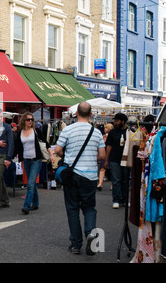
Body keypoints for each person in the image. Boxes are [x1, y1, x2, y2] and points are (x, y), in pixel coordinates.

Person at [54, 102, 105, 255]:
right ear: (90, 114)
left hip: (72, 175)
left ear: (76, 113)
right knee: (89, 208)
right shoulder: (96, 133)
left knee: (72, 209)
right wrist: (90, 159)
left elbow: (57, 150)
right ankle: (90, 234)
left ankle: (76, 244)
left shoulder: (68, 130)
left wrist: (68, 156)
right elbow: (102, 155)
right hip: (90, 176)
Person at [14, 112, 54, 215]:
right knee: (31, 183)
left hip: (36, 160)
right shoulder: (20, 133)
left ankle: (26, 206)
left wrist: (52, 154)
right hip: (26, 160)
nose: (30, 121)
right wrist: (9, 158)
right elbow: (17, 148)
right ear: (24, 121)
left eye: (32, 119)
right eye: (28, 119)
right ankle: (35, 204)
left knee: (31, 183)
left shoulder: (36, 131)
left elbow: (46, 142)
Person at [104, 113, 130, 209]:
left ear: (123, 121)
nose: (115, 122)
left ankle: (124, 200)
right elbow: (109, 146)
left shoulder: (130, 131)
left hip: (126, 160)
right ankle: (116, 200)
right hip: (114, 159)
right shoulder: (113, 132)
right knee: (116, 180)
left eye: (117, 120)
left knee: (125, 180)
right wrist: (106, 159)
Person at [97, 123, 113, 191]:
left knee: (112, 170)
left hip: (111, 154)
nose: (104, 129)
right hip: (104, 154)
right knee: (102, 169)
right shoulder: (102, 137)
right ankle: (100, 184)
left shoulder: (112, 136)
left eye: (106, 128)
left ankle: (112, 185)